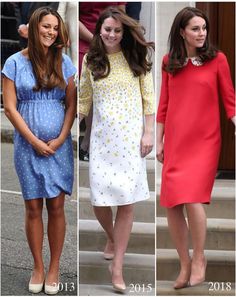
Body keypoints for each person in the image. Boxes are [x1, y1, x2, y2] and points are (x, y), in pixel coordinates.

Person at [156, 7, 235, 289]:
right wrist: (159, 140)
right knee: (172, 203)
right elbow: (163, 105)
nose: (202, 33)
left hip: (205, 141)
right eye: (195, 29)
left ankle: (200, 258)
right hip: (176, 141)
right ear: (182, 32)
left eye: (204, 28)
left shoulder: (218, 60)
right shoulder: (169, 62)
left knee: (191, 197)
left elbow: (230, 100)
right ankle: (185, 262)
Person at [79, 6, 155, 292]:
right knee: (99, 201)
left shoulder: (136, 59)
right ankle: (111, 236)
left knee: (126, 202)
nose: (111, 34)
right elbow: (84, 101)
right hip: (101, 141)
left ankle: (118, 266)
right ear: (99, 30)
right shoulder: (91, 60)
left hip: (130, 140)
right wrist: (76, 132)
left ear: (124, 33)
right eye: (107, 29)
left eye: (117, 30)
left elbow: (149, 99)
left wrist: (148, 133)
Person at [2, 7, 77, 295]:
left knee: (56, 207)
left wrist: (60, 139)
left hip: (58, 147)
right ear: (34, 28)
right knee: (33, 208)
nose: (51, 32)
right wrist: (34, 141)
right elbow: (10, 107)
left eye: (55, 28)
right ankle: (38, 266)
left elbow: (71, 105)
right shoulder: (13, 63)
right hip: (26, 146)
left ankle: (55, 266)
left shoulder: (65, 61)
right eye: (46, 27)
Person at [79, 2, 126, 161]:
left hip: (111, 39)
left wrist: (115, 37)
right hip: (85, 39)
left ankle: (103, 141)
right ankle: (89, 142)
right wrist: (97, 39)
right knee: (89, 92)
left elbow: (122, 14)